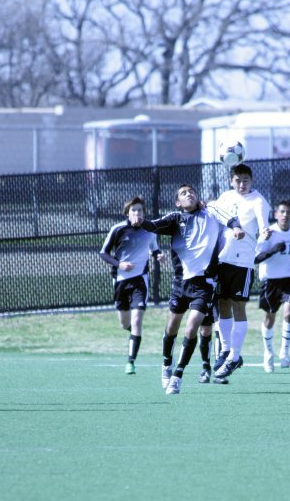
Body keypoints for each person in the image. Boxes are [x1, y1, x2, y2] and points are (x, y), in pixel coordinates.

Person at [139, 184, 243, 395]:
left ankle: (177, 375)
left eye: (192, 192)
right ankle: (166, 363)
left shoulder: (210, 212)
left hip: (204, 284)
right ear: (178, 202)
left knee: (192, 326)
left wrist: (236, 227)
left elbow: (229, 218)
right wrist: (140, 221)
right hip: (180, 283)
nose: (189, 194)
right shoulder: (175, 219)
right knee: (172, 328)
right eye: (184, 193)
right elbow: (153, 225)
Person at [208, 163, 271, 383]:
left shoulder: (258, 201)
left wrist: (264, 232)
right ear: (230, 180)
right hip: (222, 259)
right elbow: (212, 213)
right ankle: (226, 350)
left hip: (243, 262)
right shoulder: (225, 197)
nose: (241, 184)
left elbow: (264, 225)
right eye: (237, 180)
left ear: (251, 181)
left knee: (238, 307)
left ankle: (235, 356)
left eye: (245, 180)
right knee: (222, 303)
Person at [99, 196, 163, 374]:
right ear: (128, 213)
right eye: (134, 210)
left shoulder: (150, 230)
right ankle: (133, 335)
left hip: (140, 280)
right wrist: (119, 264)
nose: (137, 213)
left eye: (140, 210)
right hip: (120, 280)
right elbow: (103, 253)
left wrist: (158, 255)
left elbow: (154, 247)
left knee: (137, 321)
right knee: (124, 323)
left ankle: (130, 361)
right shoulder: (117, 229)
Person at [254, 199, 290, 372]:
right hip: (270, 281)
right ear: (276, 215)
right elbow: (256, 258)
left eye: (288, 212)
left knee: (289, 314)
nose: (285, 215)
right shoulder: (268, 233)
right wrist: (273, 249)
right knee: (270, 319)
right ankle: (268, 353)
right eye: (281, 212)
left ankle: (285, 351)